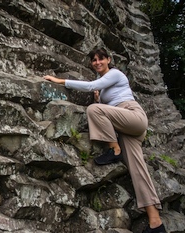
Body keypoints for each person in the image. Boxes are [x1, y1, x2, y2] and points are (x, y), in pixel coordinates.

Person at [43, 48, 166, 233]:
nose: (97, 62)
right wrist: (100, 99)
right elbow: (106, 107)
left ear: (109, 59)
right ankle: (156, 222)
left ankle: (114, 149)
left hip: (133, 115)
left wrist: (61, 81)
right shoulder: (103, 86)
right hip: (125, 127)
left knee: (93, 109)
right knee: (137, 169)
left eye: (101, 59)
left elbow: (92, 88)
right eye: (94, 60)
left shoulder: (115, 74)